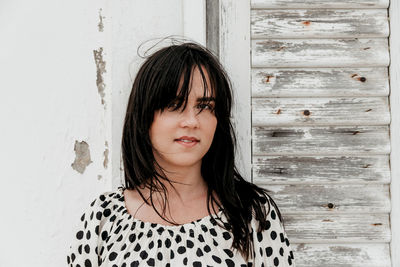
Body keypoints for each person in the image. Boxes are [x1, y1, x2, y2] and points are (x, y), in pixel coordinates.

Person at [67, 41, 295, 266]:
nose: (191, 121)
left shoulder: (252, 213)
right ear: (145, 116)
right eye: (174, 105)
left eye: (205, 106)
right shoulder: (104, 217)